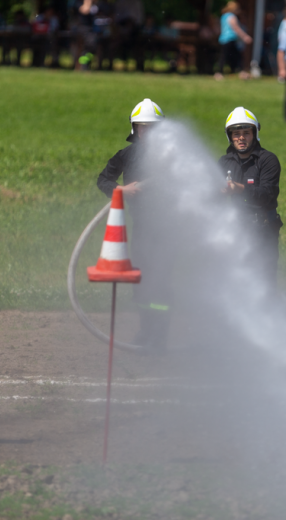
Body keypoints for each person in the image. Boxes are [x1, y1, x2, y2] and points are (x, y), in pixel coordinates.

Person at [96, 99, 172, 352]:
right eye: (142, 127)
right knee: (140, 281)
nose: (147, 132)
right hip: (141, 229)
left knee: (160, 283)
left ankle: (159, 334)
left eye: (152, 127)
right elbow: (103, 179)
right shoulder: (126, 156)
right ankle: (145, 329)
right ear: (134, 129)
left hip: (164, 230)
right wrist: (121, 189)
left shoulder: (172, 155)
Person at [218, 107, 282, 290]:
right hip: (235, 228)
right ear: (229, 136)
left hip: (263, 228)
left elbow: (268, 194)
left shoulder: (268, 160)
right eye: (236, 133)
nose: (241, 138)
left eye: (246, 133)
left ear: (254, 133)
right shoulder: (224, 163)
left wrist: (240, 190)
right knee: (235, 279)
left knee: (263, 279)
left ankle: (268, 315)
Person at [215, 1, 252, 80]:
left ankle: (239, 72)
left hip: (223, 39)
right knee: (235, 57)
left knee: (226, 56)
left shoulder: (224, 16)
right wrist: (245, 37)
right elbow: (236, 28)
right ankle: (221, 73)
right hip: (230, 39)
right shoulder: (232, 17)